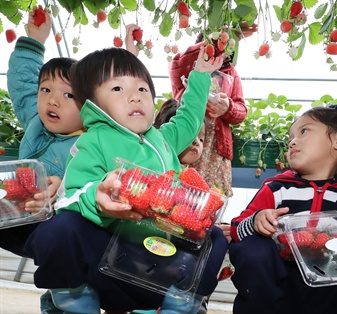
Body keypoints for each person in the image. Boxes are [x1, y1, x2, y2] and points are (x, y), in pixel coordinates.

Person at [23, 46, 224, 313]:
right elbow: (69, 196)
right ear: (92, 104)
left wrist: (200, 74)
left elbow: (189, 118)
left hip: (161, 260)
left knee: (216, 238)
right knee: (60, 228)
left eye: (142, 89)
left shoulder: (164, 139)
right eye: (118, 89)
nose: (134, 97)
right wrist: (97, 196)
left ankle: (179, 304)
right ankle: (76, 300)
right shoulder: (93, 141)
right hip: (108, 257)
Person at [228, 105, 337, 314]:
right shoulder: (276, 188)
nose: (292, 141)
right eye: (290, 137)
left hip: (336, 282)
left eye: (304, 131)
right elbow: (237, 228)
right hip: (282, 282)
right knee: (252, 248)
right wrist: (256, 221)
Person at [4, 6, 80, 313]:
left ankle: (64, 303)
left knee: (66, 276)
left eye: (68, 95)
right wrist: (34, 40)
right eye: (46, 89)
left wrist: (61, 189)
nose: (52, 99)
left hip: (60, 226)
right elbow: (22, 87)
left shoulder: (90, 142)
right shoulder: (36, 121)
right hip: (21, 216)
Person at [169, 29, 248, 198]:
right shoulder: (184, 67)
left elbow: (241, 111)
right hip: (187, 140)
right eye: (216, 46)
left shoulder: (231, 74)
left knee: (211, 197)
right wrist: (213, 41)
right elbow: (178, 64)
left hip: (214, 147)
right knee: (179, 193)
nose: (221, 54)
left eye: (226, 49)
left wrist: (227, 108)